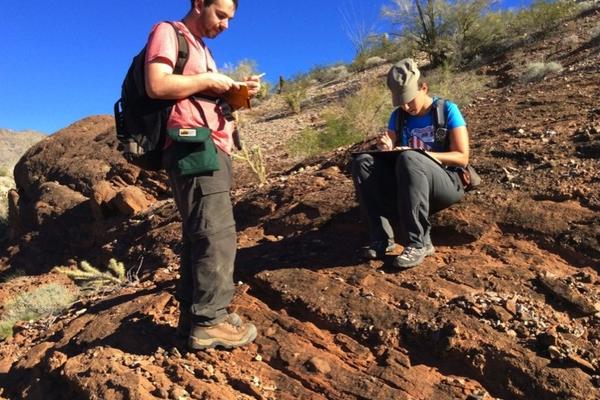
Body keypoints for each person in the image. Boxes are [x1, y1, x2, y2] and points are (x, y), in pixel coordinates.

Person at [145, 0, 261, 349]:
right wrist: (210, 79)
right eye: (220, 14)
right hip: (193, 146)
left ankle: (192, 322)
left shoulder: (202, 50)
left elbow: (202, 98)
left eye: (230, 19)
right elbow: (157, 85)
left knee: (201, 234)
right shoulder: (169, 33)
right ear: (199, 4)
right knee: (217, 232)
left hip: (212, 146)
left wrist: (235, 94)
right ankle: (211, 320)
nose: (225, 24)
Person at [351, 58, 469, 269]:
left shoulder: (447, 110)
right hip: (409, 181)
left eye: (409, 99)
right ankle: (381, 239)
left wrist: (421, 154)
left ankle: (418, 242)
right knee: (363, 162)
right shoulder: (398, 117)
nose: (406, 106)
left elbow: (462, 157)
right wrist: (386, 150)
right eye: (400, 102)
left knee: (410, 157)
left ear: (424, 88)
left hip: (446, 182)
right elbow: (392, 155)